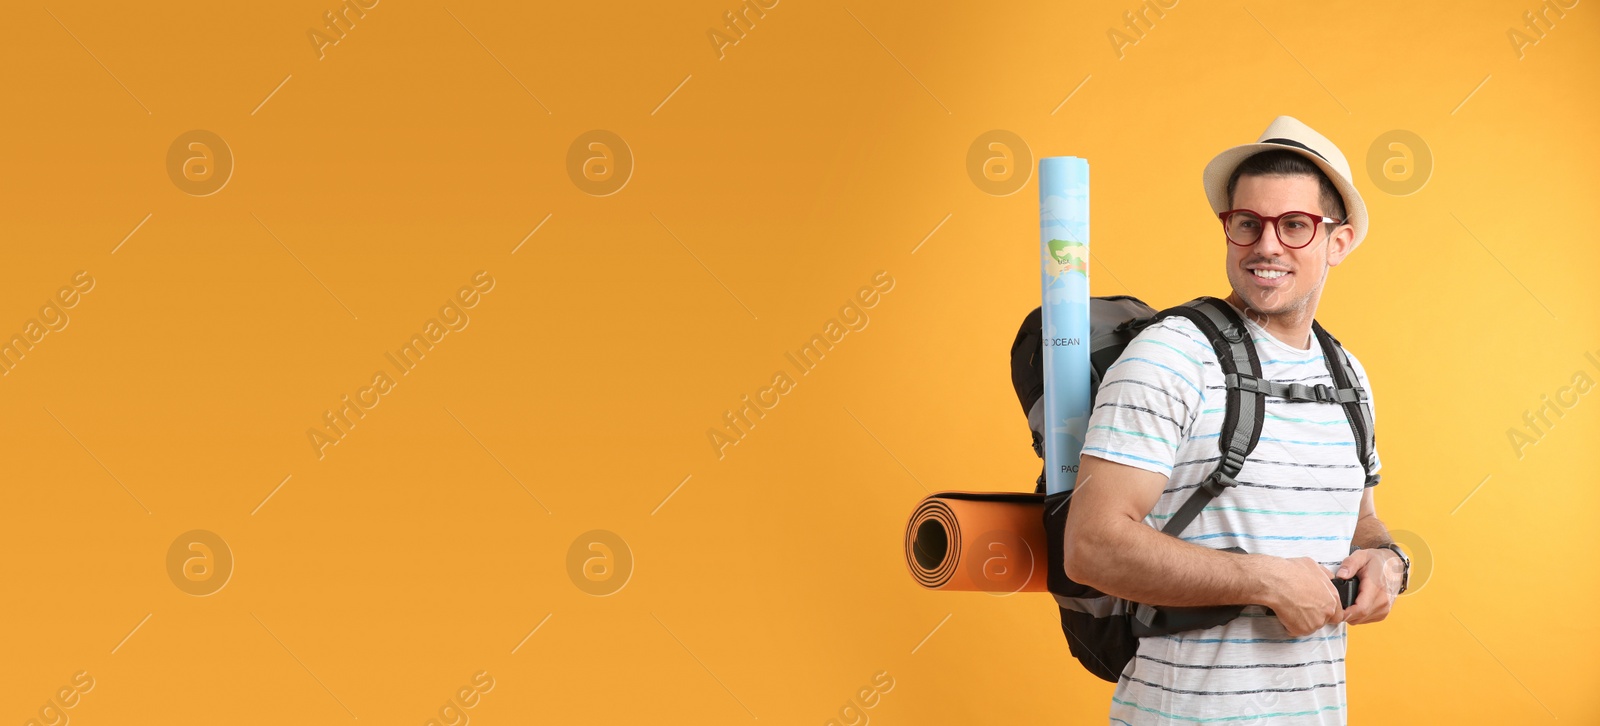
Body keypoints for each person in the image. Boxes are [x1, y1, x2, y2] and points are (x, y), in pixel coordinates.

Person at [1062, 116, 1409, 725]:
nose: (1266, 246)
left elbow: (1361, 521)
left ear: (1339, 241)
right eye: (1247, 224)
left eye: (1294, 225)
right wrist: (1266, 581)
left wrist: (1388, 563)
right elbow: (1091, 546)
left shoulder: (1348, 376)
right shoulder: (1171, 357)